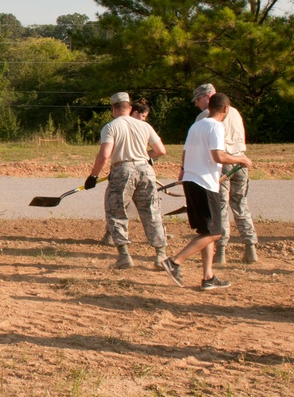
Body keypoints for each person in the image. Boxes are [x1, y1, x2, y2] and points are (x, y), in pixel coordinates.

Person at [163, 92, 253, 290]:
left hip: (192, 180)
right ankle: (175, 262)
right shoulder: (216, 126)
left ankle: (208, 276)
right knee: (215, 233)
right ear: (226, 109)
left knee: (207, 231)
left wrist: (185, 171)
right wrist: (241, 159)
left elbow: (185, 152)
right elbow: (218, 156)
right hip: (204, 183)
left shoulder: (197, 125)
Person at [85, 92, 168, 270]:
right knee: (151, 211)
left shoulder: (110, 127)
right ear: (130, 108)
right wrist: (147, 159)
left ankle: (124, 256)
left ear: (113, 109)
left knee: (116, 211)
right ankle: (161, 255)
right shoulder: (144, 126)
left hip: (123, 170)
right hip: (146, 170)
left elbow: (105, 155)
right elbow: (160, 150)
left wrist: (93, 176)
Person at [192, 83, 258, 264]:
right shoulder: (235, 112)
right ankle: (250, 247)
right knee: (240, 204)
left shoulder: (205, 117)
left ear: (208, 96)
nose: (197, 104)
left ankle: (220, 252)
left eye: (198, 99)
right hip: (241, 161)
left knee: (219, 207)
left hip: (224, 163)